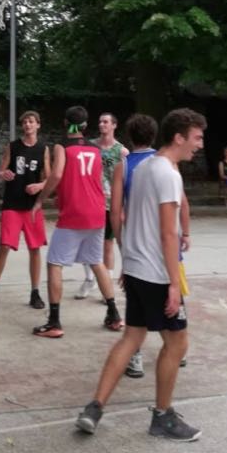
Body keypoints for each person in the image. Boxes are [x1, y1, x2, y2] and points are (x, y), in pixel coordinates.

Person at [75, 107, 207, 441]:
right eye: (196, 138)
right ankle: (163, 416)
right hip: (156, 273)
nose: (200, 144)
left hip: (135, 268)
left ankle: (94, 407)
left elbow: (125, 216)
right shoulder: (168, 174)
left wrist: (127, 262)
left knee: (132, 337)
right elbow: (168, 233)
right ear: (178, 137)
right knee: (177, 342)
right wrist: (174, 283)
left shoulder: (143, 167)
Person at [108, 113, 190, 379]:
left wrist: (124, 248)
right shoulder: (167, 163)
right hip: (164, 252)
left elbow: (116, 212)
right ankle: (176, 351)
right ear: (155, 135)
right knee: (171, 309)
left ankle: (136, 358)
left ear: (129, 137)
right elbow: (182, 203)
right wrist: (186, 232)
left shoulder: (124, 166)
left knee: (136, 321)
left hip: (137, 252)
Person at [31, 105, 123, 338]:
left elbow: (57, 174)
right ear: (85, 125)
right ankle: (114, 314)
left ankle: (54, 322)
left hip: (75, 213)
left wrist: (41, 199)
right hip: (97, 211)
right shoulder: (95, 149)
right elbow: (91, 178)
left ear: (65, 122)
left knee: (54, 263)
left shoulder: (63, 146)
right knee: (97, 262)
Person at [0, 111, 50, 313]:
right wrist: (3, 174)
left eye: (31, 121)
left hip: (32, 207)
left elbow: (49, 179)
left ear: (38, 125)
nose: (27, 125)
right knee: (4, 246)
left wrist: (39, 186)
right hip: (12, 204)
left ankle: (35, 292)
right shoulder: (13, 147)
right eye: (25, 122)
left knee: (35, 248)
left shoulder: (43, 149)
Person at [75, 112, 129, 299]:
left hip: (110, 204)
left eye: (106, 122)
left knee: (107, 244)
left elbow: (126, 181)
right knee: (85, 242)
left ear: (114, 125)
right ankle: (89, 279)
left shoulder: (122, 152)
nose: (102, 124)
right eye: (100, 121)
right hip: (89, 201)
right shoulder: (89, 146)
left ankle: (107, 285)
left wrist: (124, 205)